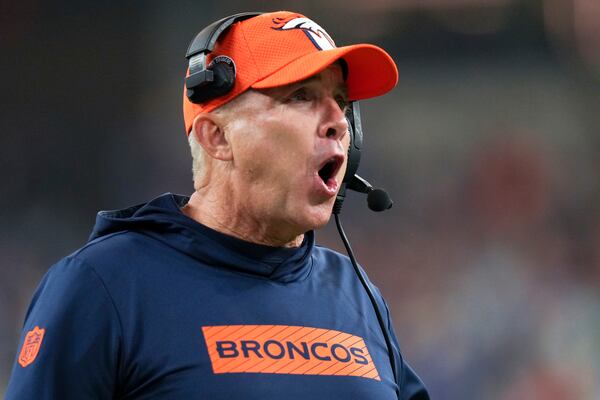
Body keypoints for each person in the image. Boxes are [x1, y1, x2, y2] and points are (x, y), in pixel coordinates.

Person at [6, 11, 429, 399]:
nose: (338, 120)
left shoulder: (357, 293)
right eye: (300, 96)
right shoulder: (103, 286)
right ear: (217, 138)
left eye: (341, 99)